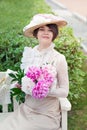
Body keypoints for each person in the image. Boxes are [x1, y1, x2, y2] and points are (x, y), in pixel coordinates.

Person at [0, 13, 69, 130]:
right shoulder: (29, 55)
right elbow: (26, 81)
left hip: (47, 113)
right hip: (26, 110)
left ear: (54, 34)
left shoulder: (59, 58)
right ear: (36, 33)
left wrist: (43, 90)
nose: (46, 32)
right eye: (42, 29)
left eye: (50, 30)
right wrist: (22, 86)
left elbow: (64, 91)